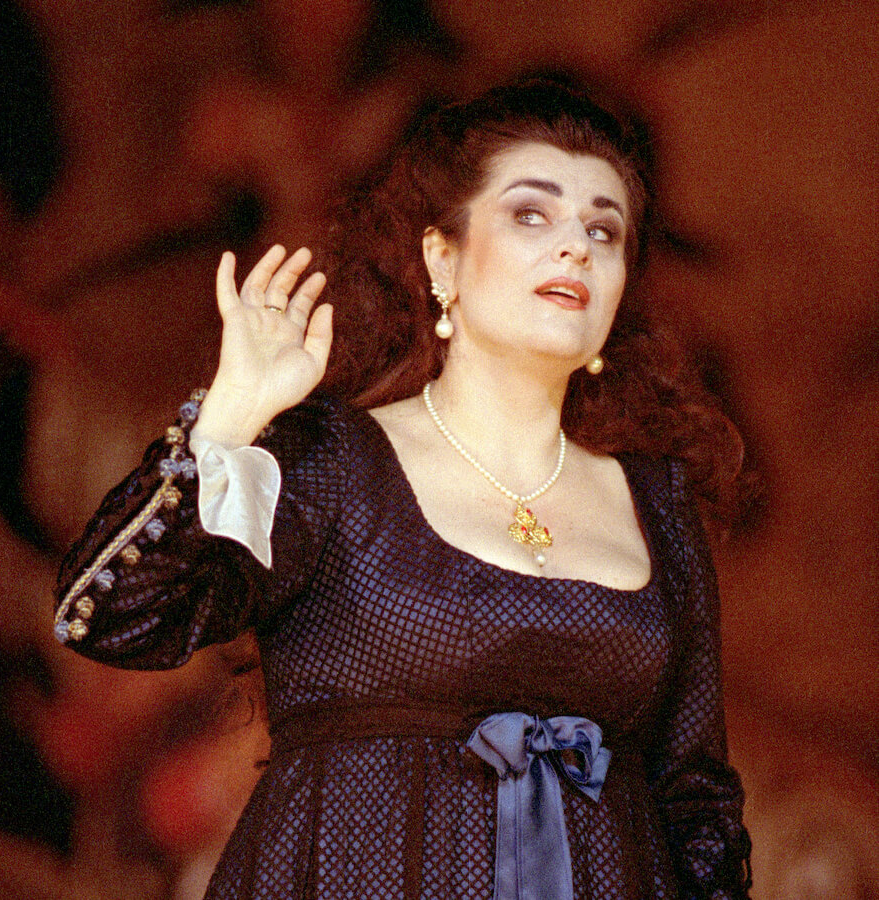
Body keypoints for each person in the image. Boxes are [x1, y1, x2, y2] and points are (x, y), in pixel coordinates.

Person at [54, 78, 752, 899]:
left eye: (604, 230)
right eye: (531, 215)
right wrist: (229, 419)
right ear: (441, 258)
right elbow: (106, 615)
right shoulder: (335, 462)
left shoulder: (658, 504)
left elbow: (696, 805)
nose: (575, 247)